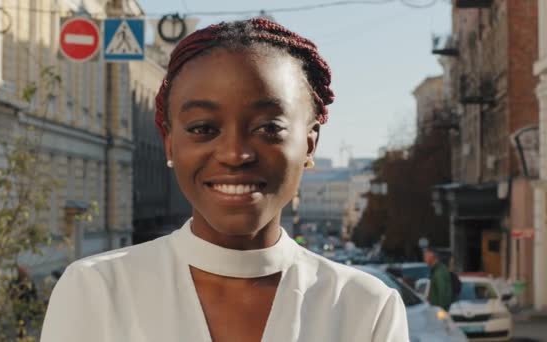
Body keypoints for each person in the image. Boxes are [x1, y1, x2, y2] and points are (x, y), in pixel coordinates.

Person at [41, 18, 409, 341]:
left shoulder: (364, 307)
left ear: (310, 143)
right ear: (170, 143)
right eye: (203, 128)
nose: (235, 154)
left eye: (268, 128)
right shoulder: (96, 290)